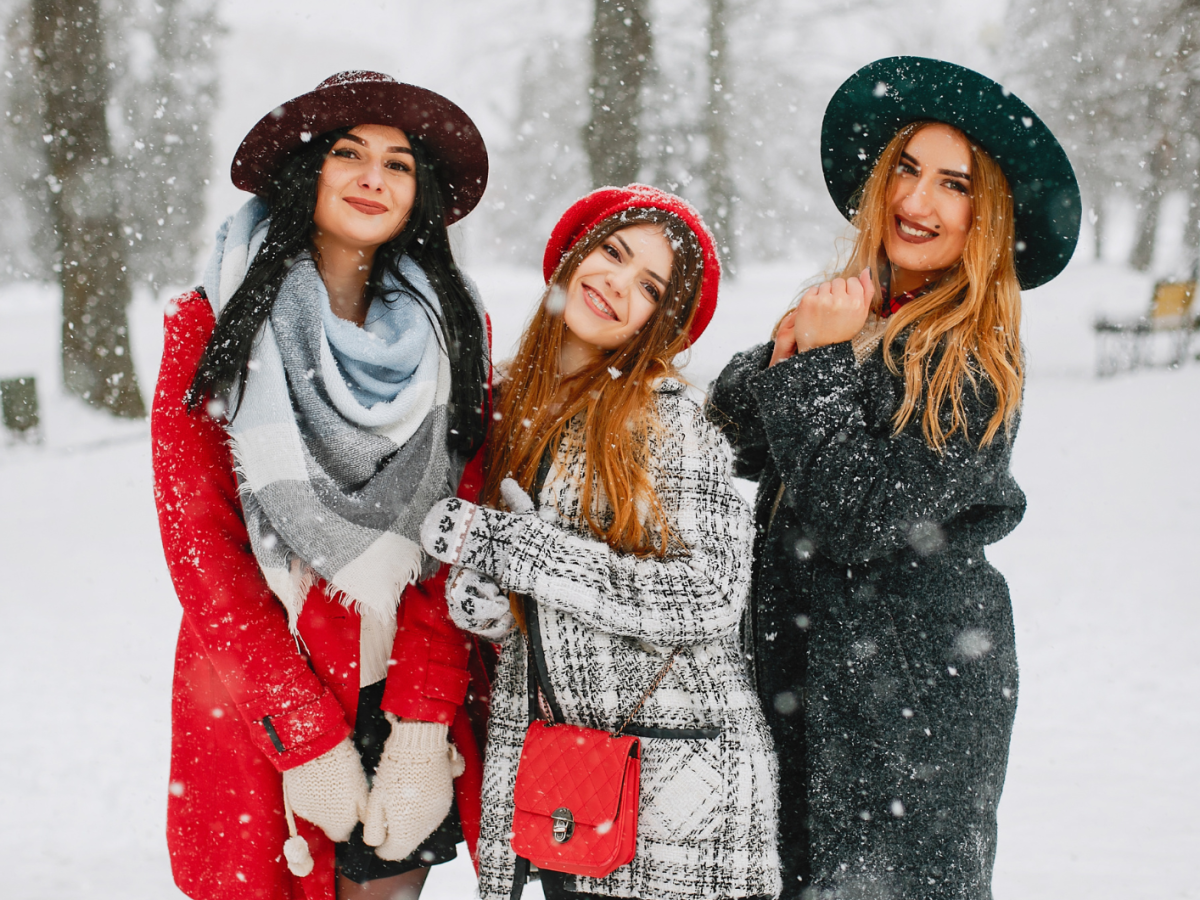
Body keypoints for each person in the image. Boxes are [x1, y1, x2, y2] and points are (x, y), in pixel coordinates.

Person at [706, 57, 1081, 900]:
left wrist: (820, 363)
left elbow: (861, 516)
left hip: (913, 694)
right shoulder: (862, 310)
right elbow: (729, 433)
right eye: (907, 169)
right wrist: (790, 349)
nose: (916, 202)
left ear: (986, 217)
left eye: (953, 184)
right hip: (803, 666)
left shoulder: (976, 356)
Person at [151, 71, 494, 900]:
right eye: (350, 154)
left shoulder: (456, 330)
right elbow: (199, 542)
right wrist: (301, 733)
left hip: (398, 678)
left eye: (399, 164)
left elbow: (462, 527)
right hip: (260, 687)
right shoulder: (211, 321)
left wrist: (417, 725)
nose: (374, 177)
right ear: (310, 171)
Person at [418, 185, 781, 900]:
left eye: (649, 285)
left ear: (660, 322)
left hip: (675, 794)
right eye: (612, 252)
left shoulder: (666, 420)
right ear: (574, 256)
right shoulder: (512, 402)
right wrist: (488, 599)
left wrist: (520, 551)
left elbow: (709, 593)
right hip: (569, 781)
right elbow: (543, 601)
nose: (617, 282)